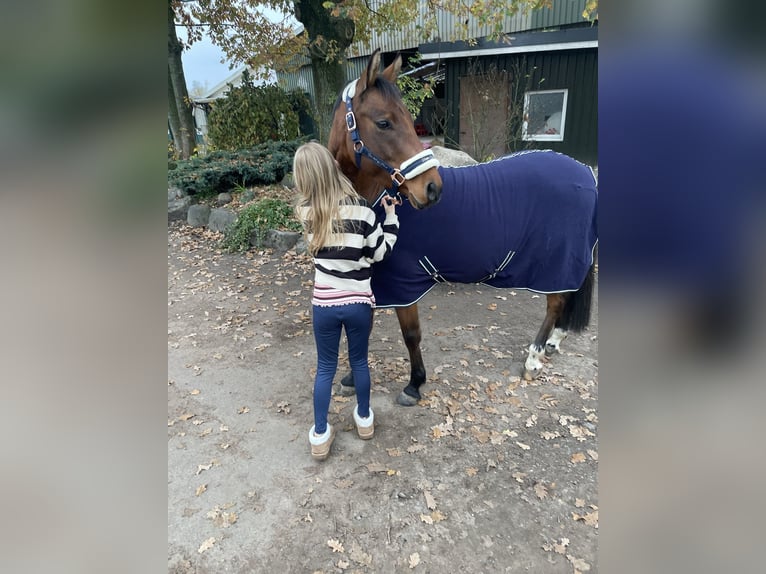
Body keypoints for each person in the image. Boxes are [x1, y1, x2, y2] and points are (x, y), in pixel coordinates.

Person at [293, 142, 400, 461]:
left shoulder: (305, 212)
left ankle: (320, 434)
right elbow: (380, 253)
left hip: (323, 304)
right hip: (358, 304)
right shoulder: (363, 210)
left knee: (325, 368)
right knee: (359, 362)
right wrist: (391, 217)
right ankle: (364, 419)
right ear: (332, 166)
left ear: (303, 179)